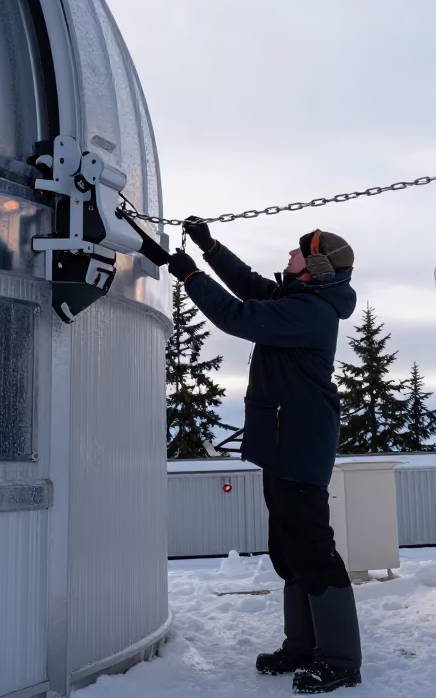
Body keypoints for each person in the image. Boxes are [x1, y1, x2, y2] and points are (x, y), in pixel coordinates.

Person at [168, 219, 362, 694]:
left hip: (300, 443)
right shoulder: (299, 300)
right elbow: (250, 285)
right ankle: (302, 646)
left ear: (314, 269)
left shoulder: (311, 312)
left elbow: (239, 316)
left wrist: (192, 278)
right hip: (284, 444)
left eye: (298, 255)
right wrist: (211, 249)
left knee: (314, 551)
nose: (289, 258)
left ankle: (340, 659)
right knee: (289, 551)